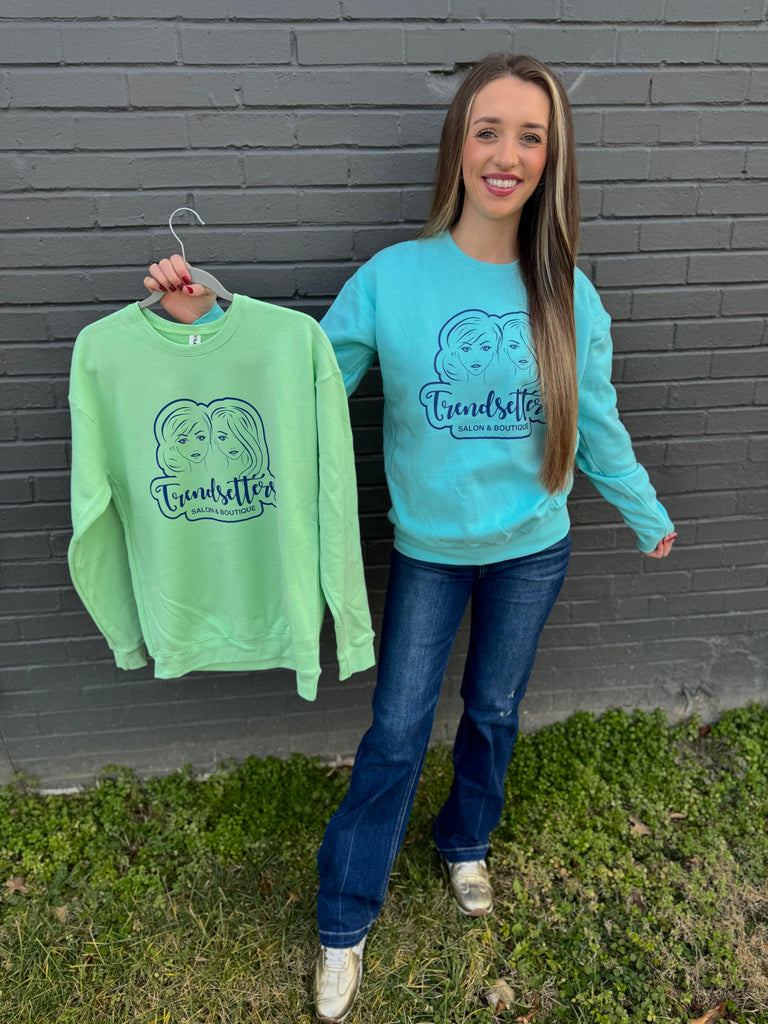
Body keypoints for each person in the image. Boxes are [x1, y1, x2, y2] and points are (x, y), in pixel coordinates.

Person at [142, 52, 676, 1023]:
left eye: (530, 136)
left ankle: (465, 839)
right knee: (395, 731)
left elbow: (596, 423)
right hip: (430, 554)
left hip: (534, 550)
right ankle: (343, 921)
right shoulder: (394, 279)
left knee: (495, 709)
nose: (506, 154)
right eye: (488, 130)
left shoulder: (568, 291)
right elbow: (302, 377)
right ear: (458, 145)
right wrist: (205, 321)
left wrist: (645, 511)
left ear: (551, 157)